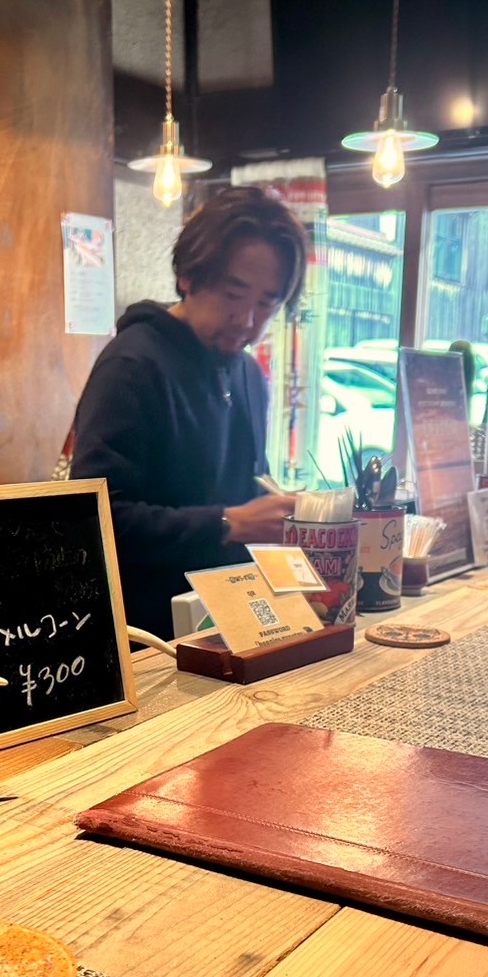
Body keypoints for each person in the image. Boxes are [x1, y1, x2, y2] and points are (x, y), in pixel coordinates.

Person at [69, 186, 308, 639]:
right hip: (148, 643)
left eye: (266, 303)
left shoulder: (249, 376)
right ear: (189, 278)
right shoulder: (132, 365)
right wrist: (229, 522)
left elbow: (245, 491)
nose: (247, 320)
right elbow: (93, 517)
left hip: (229, 628)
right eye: (233, 294)